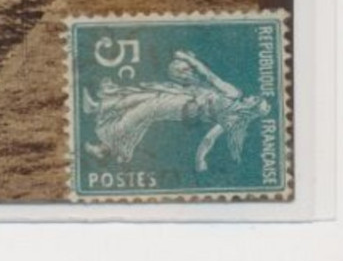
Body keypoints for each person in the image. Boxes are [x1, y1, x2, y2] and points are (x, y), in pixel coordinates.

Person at [82, 50, 271, 173]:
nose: (252, 96)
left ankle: (104, 141)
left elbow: (209, 139)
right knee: (146, 95)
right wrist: (191, 61)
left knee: (144, 111)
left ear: (252, 108)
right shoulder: (234, 96)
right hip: (188, 96)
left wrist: (200, 160)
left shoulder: (232, 112)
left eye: (255, 99)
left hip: (185, 108)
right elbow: (209, 79)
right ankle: (99, 115)